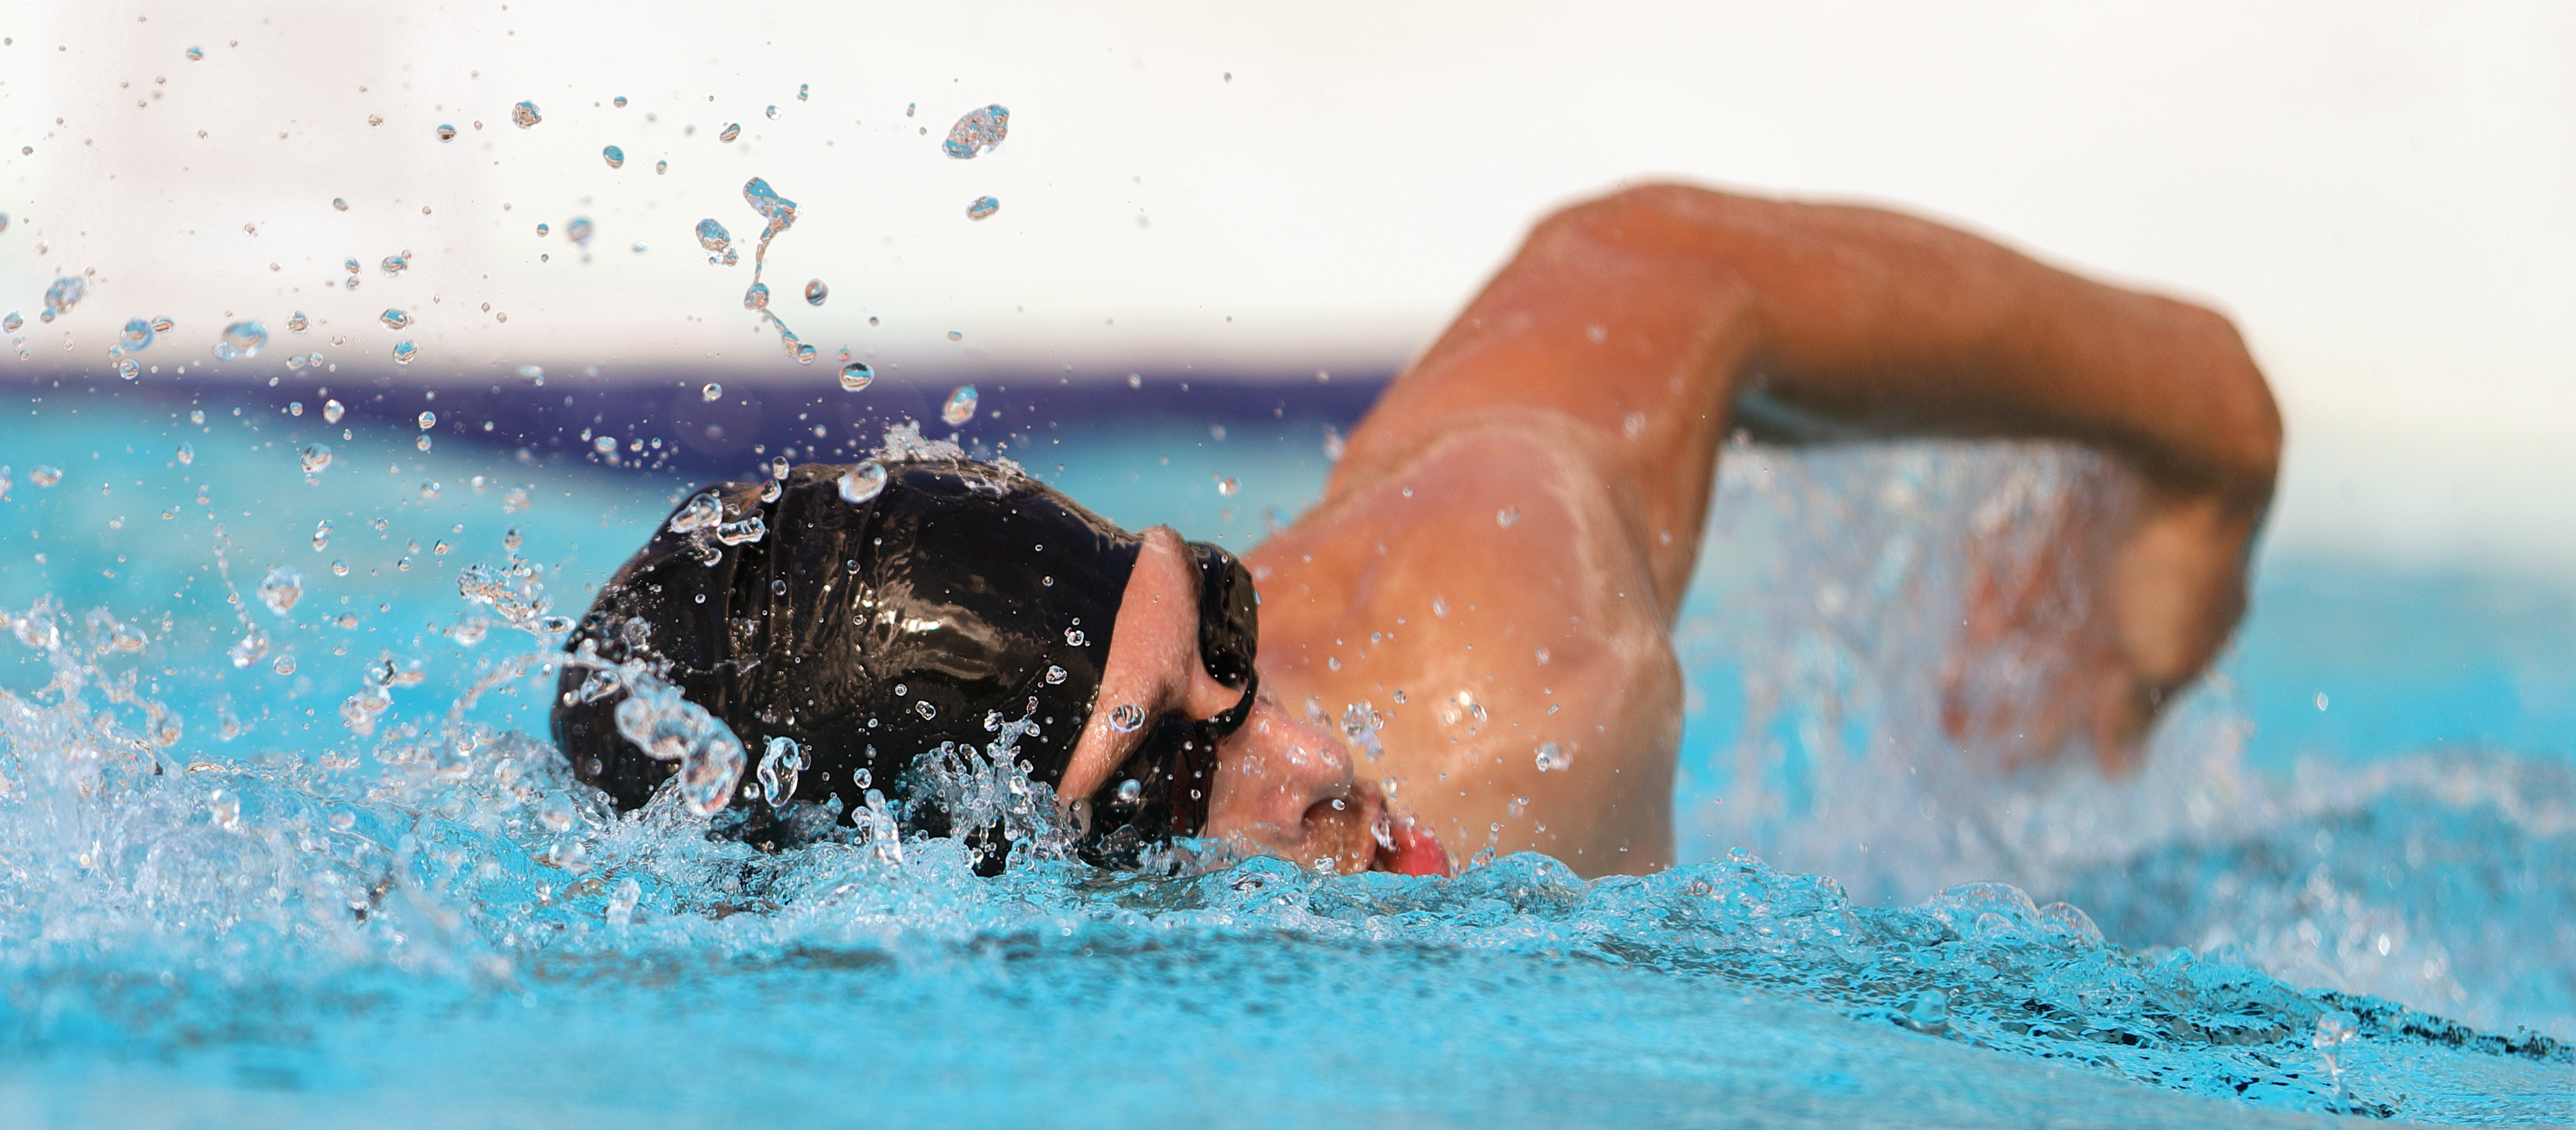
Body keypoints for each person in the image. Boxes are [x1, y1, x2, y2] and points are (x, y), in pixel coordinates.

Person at [551, 183, 2281, 879]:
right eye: (1161, 773)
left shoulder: (1526, 689)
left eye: (1222, 629)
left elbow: (1665, 271)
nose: (1311, 750)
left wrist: (2181, 512)